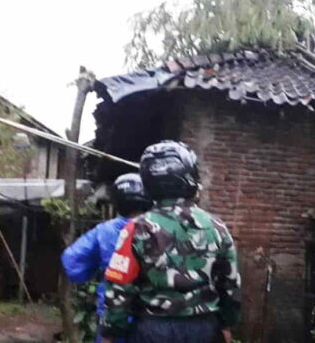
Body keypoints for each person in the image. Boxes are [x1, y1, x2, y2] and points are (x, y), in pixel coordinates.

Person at [100, 140, 241, 343]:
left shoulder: (136, 229)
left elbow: (120, 290)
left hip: (151, 331)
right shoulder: (216, 228)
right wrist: (227, 324)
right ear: (190, 177)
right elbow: (229, 284)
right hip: (204, 329)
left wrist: (111, 332)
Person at [61, 173, 153, 343]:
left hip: (112, 317)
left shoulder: (105, 231)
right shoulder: (159, 229)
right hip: (151, 318)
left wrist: (97, 268)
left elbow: (71, 261)